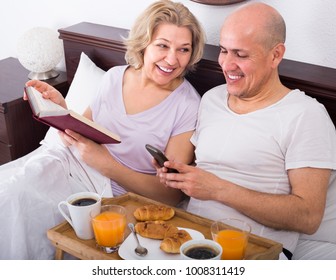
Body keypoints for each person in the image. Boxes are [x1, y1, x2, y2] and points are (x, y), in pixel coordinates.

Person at [0, 0, 205, 259]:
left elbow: (170, 195)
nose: (173, 59)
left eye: (183, 49)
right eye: (162, 45)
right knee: (9, 194)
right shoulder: (114, 77)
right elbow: (85, 132)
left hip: (112, 194)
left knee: (19, 206)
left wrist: (107, 164)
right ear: (144, 43)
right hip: (70, 165)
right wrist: (63, 109)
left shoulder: (187, 105)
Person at [158, 2, 336, 260]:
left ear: (275, 55)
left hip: (253, 250)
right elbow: (205, 170)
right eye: (223, 51)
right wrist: (179, 176)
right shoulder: (212, 99)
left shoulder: (305, 115)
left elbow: (308, 217)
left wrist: (217, 189)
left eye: (240, 55)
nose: (227, 65)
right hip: (187, 237)